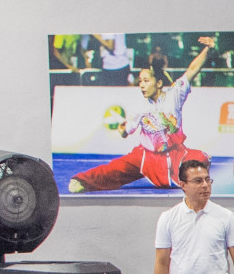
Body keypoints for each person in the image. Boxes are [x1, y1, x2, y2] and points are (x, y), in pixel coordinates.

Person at [70, 35, 216, 192]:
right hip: (145, 157)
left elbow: (192, 69)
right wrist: (121, 129)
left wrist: (207, 49)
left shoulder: (175, 94)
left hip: (175, 155)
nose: (141, 85)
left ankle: (188, 179)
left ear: (159, 83)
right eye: (140, 81)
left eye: (146, 81)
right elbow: (126, 132)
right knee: (114, 169)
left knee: (201, 158)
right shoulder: (139, 108)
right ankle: (82, 181)